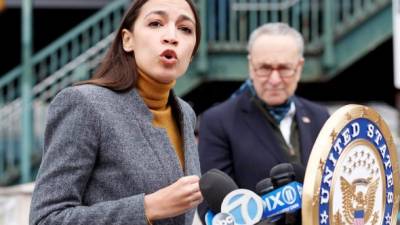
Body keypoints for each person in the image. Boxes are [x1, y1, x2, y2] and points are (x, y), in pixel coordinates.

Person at [29, 0, 203, 225]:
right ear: (127, 40)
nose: (172, 36)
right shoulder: (85, 104)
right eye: (156, 23)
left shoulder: (185, 113)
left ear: (192, 52)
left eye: (185, 29)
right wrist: (148, 208)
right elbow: (45, 219)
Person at [198, 22, 330, 222]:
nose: (275, 79)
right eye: (265, 68)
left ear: (300, 67)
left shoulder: (320, 116)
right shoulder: (217, 121)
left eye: (285, 68)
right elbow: (210, 205)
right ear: (251, 66)